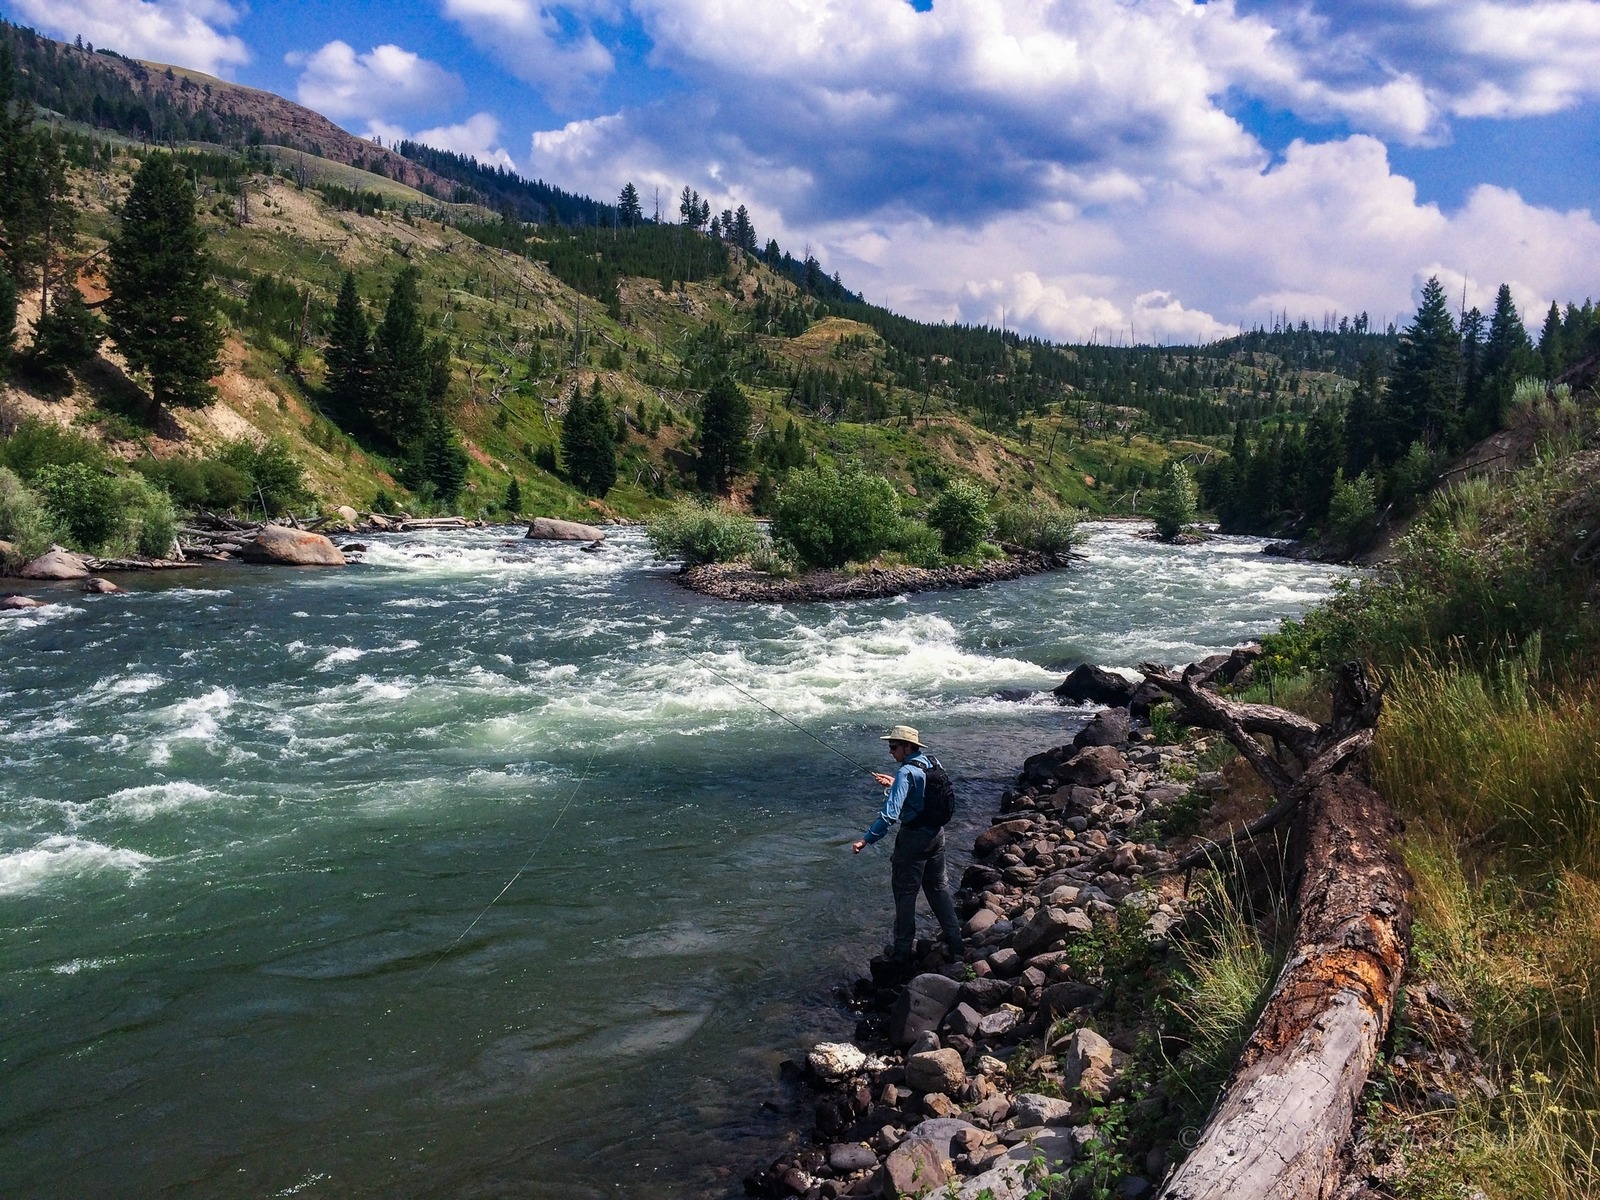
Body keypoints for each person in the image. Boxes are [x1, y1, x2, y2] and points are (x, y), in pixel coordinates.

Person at [851, 724, 964, 965]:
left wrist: (866, 839)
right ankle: (957, 944)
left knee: (905, 895)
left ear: (907, 747)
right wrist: (895, 784)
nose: (890, 752)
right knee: (938, 889)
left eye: (893, 747)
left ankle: (902, 954)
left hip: (913, 842)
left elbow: (890, 815)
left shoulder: (906, 773)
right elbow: (925, 794)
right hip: (937, 836)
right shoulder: (933, 762)